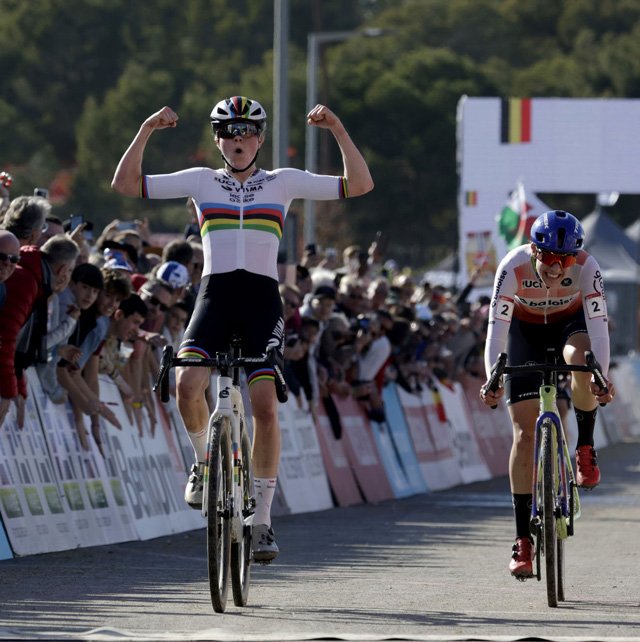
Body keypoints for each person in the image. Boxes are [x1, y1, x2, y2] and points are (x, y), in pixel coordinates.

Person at [111, 95, 373, 562]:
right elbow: (125, 184)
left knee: (264, 405)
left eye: (247, 132)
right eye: (229, 132)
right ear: (216, 139)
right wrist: (148, 127)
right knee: (186, 384)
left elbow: (361, 183)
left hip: (260, 300)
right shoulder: (200, 181)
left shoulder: (282, 182)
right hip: (213, 297)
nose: (238, 140)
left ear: (260, 138)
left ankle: (263, 522)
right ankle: (203, 463)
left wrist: (336, 128)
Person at [479, 210, 615, 579]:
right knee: (523, 434)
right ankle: (523, 540)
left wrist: (600, 375)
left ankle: (585, 447)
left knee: (581, 362)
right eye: (549, 258)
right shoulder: (513, 266)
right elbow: (497, 330)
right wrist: (492, 377)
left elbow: (599, 330)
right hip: (525, 333)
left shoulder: (589, 267)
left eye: (565, 259)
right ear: (534, 251)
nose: (556, 268)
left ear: (576, 256)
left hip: (571, 328)